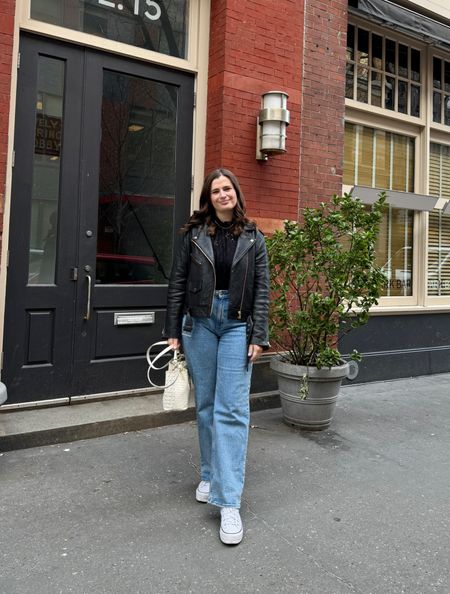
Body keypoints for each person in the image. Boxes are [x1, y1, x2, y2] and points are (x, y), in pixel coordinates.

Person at [164, 168, 270, 545]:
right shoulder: (194, 235)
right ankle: (209, 473)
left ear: (236, 193)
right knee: (207, 405)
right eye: (216, 190)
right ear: (208, 199)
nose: (223, 194)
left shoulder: (254, 237)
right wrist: (172, 330)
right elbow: (177, 281)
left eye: (228, 188)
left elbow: (261, 290)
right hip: (200, 324)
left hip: (237, 326)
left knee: (233, 409)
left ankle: (229, 502)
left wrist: (260, 334)